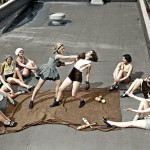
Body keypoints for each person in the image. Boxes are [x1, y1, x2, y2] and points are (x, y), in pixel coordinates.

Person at [28, 43, 78, 109]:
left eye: (63, 49)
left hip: (53, 71)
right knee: (39, 86)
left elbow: (62, 64)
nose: (63, 50)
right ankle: (31, 100)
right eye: (62, 49)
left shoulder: (57, 55)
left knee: (59, 83)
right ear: (58, 49)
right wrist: (78, 56)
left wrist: (71, 63)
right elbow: (67, 57)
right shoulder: (57, 55)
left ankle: (56, 96)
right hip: (47, 71)